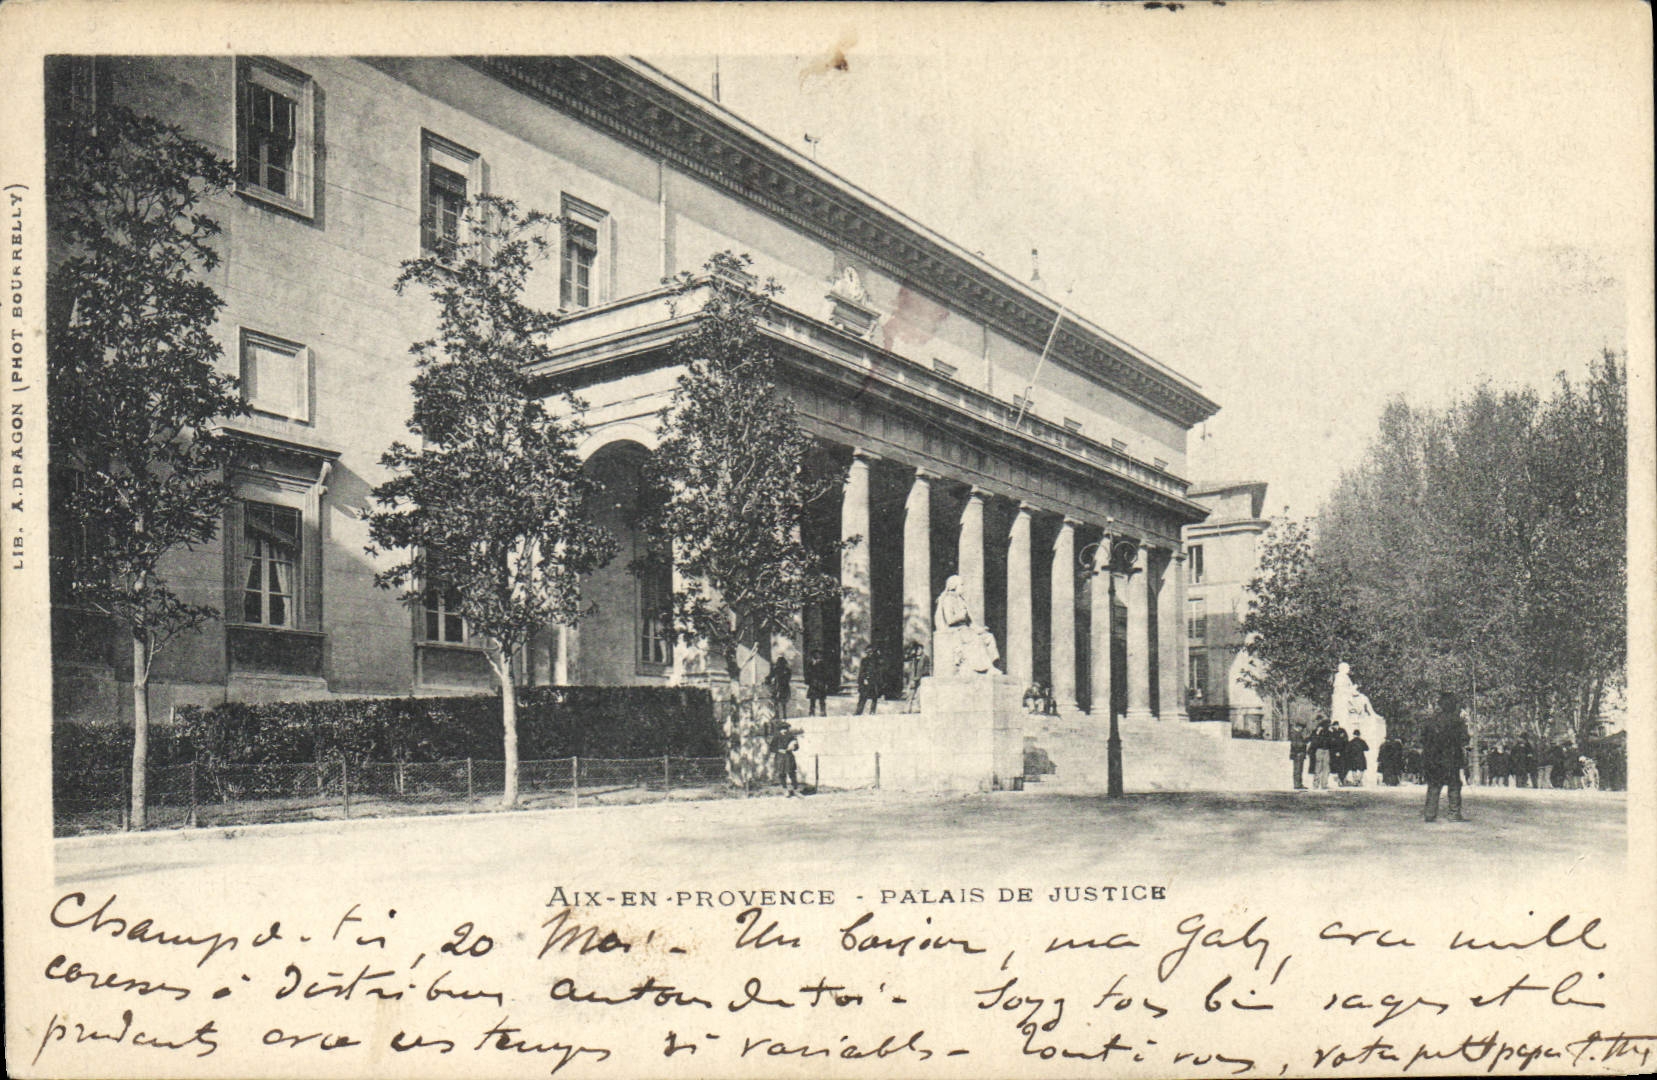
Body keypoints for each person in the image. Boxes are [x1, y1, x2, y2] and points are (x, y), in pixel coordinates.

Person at [1422, 691, 1470, 823]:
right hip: (1451, 758)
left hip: (1434, 759)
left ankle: (1430, 814)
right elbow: (1465, 739)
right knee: (1454, 785)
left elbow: (1424, 739)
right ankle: (1454, 813)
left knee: (1434, 785)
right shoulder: (1457, 721)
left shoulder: (1431, 721)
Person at [854, 646, 883, 715]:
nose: (870, 654)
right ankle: (859, 711)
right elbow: (862, 671)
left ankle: (872, 711)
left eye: (871, 652)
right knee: (863, 697)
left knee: (874, 697)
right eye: (868, 652)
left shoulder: (876, 661)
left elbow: (879, 671)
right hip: (866, 681)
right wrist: (864, 679)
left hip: (874, 681)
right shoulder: (865, 660)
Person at [804, 649, 833, 717]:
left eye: (818, 655)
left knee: (821, 699)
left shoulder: (822, 664)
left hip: (820, 684)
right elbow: (808, 673)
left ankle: (823, 712)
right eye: (815, 655)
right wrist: (808, 681)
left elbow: (826, 674)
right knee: (812, 700)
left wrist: (826, 683)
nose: (817, 656)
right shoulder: (811, 664)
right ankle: (812, 712)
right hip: (813, 684)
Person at [902, 640, 929, 713]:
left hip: (920, 679)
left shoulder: (925, 658)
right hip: (912, 679)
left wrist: (919, 677)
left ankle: (916, 709)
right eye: (917, 649)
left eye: (919, 649)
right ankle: (907, 709)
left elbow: (926, 669)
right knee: (909, 694)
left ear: (922, 650)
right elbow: (909, 668)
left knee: (918, 695)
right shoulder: (913, 659)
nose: (918, 651)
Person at [1310, 719, 1334, 790]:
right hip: (1323, 750)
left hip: (1322, 750)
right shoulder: (1320, 732)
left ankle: (1317, 784)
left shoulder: (1326, 732)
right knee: (1323, 768)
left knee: (1320, 767)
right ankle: (1322, 784)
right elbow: (1314, 741)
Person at [768, 654, 792, 720]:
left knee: (782, 701)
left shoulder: (787, 670)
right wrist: (768, 679)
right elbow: (771, 675)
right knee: (776, 701)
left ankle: (783, 715)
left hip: (783, 687)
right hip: (777, 686)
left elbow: (788, 678)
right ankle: (777, 714)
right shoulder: (776, 669)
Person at [1289, 723, 1309, 791]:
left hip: (1299, 754)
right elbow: (1296, 744)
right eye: (1302, 728)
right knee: (1297, 769)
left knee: (1299, 769)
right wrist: (1304, 742)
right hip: (1298, 754)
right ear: (1299, 727)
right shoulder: (1295, 734)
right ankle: (1297, 784)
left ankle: (1299, 783)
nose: (1302, 730)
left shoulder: (1296, 734)